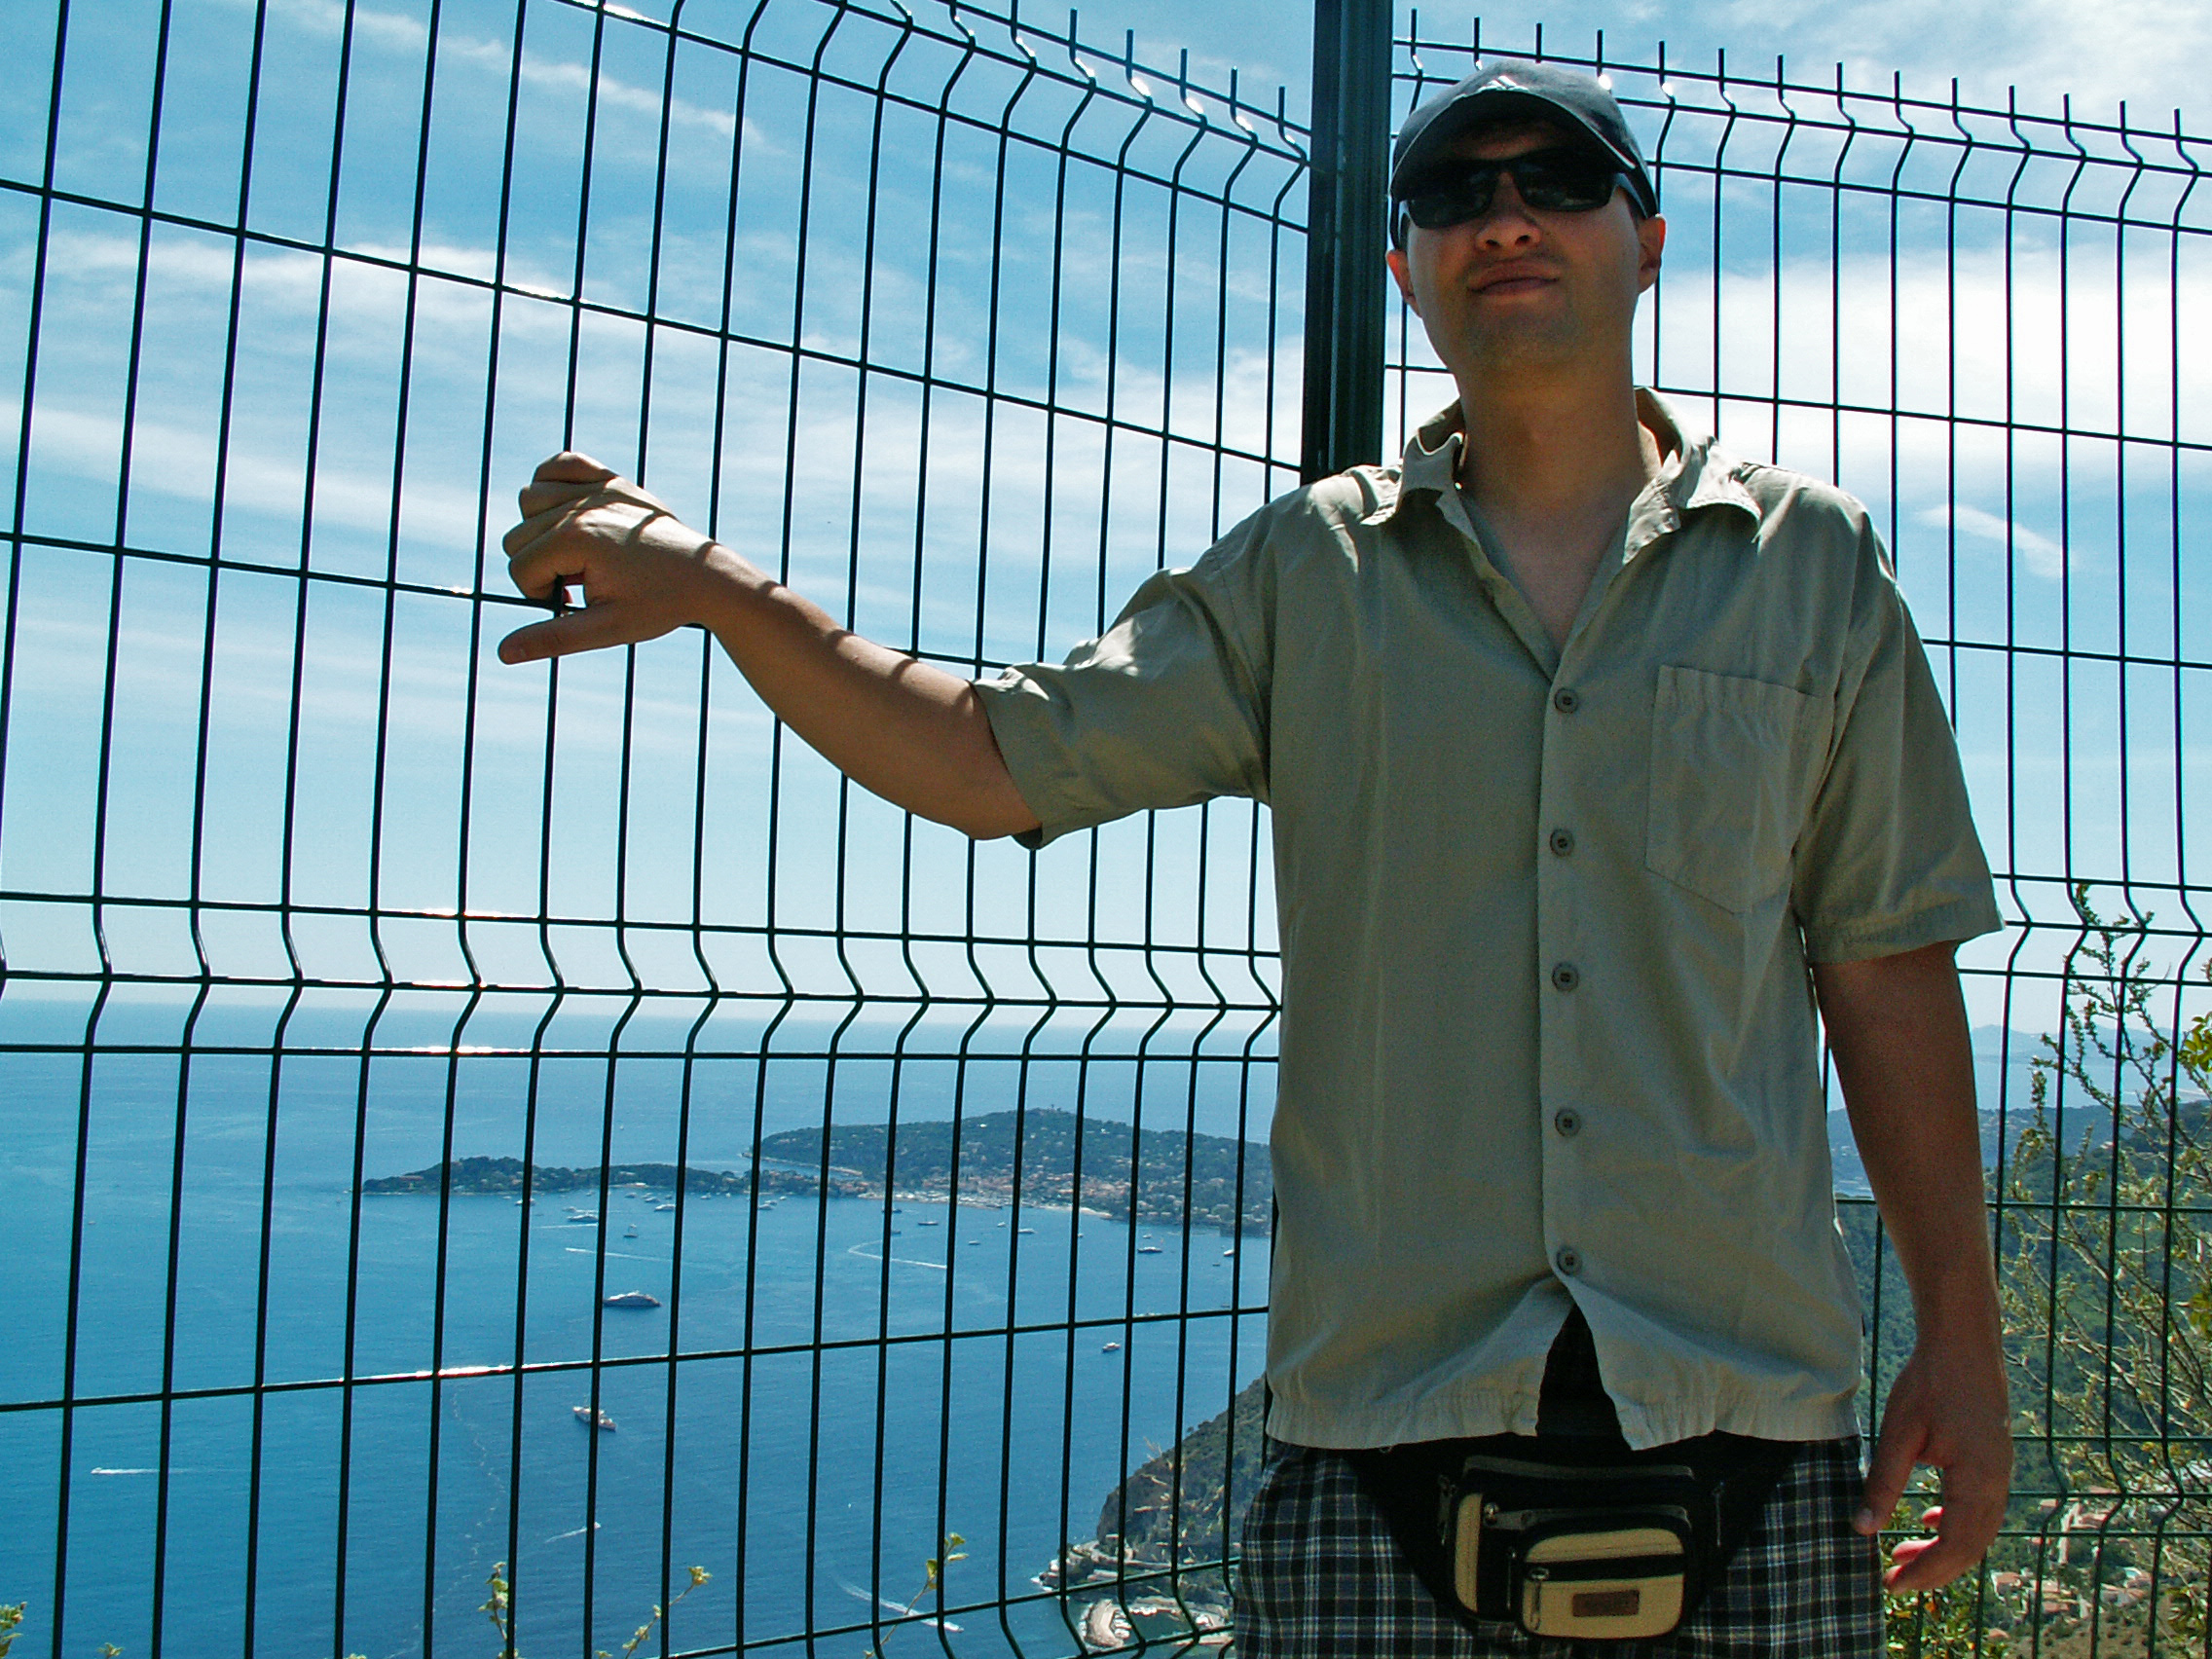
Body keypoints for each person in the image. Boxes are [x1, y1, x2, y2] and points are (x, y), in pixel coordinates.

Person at [498, 58, 2009, 1656]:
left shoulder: (1809, 565)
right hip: (1379, 1467)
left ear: (1646, 243)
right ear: (1405, 268)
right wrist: (718, 590)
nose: (1505, 218)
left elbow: (1886, 968)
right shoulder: (1312, 573)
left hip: (1756, 1447)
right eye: (1456, 194)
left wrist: (1963, 1346)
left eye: (1558, 182)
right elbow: (985, 760)